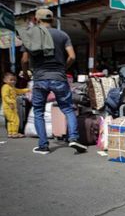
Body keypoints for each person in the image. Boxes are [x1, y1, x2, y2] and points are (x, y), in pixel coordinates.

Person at [20, 8, 87, 155]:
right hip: (59, 77)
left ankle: (43, 146)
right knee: (68, 109)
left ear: (37, 20)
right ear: (52, 20)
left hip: (40, 78)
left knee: (38, 111)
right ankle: (73, 138)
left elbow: (24, 59)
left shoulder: (31, 35)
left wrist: (25, 73)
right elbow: (72, 57)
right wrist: (62, 68)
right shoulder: (62, 35)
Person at [2, 72, 30, 138]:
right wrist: (11, 102)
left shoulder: (12, 87)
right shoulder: (5, 87)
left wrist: (27, 90)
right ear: (5, 80)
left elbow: (19, 91)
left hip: (11, 107)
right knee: (15, 120)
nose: (13, 81)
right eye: (11, 80)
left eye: (14, 80)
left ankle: (10, 133)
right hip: (9, 107)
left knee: (10, 121)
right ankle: (14, 133)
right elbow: (5, 96)